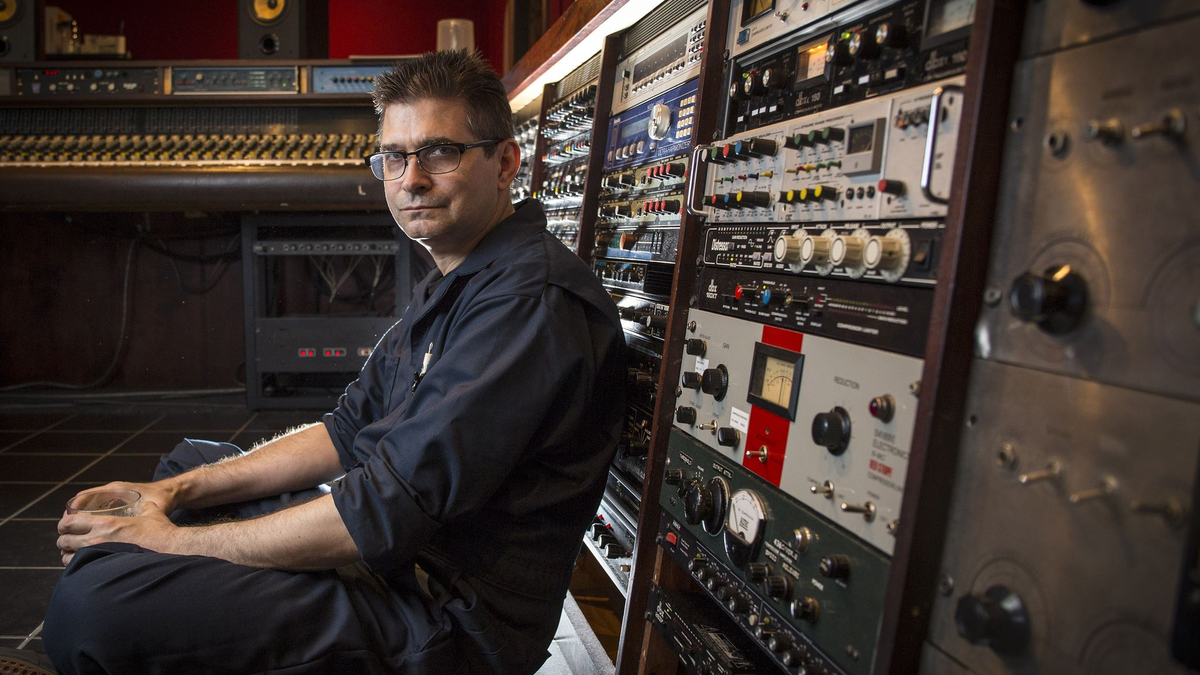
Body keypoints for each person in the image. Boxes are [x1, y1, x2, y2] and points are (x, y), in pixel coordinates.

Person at [32, 50, 627, 675]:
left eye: (440, 152)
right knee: (190, 467)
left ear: (505, 161)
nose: (411, 179)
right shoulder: (463, 273)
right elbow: (345, 432)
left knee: (92, 609)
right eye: (394, 157)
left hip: (443, 617)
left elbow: (379, 512)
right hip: (394, 561)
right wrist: (168, 493)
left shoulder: (528, 303)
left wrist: (173, 542)